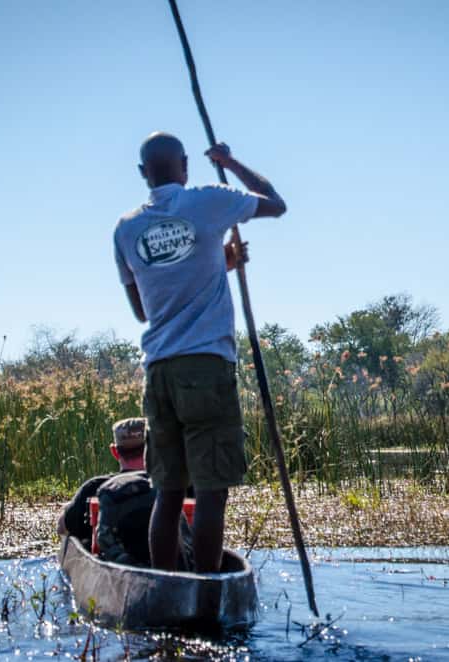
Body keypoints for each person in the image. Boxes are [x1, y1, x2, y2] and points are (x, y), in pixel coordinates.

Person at [113, 132, 286, 573]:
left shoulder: (126, 227)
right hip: (206, 365)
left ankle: (164, 588)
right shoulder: (208, 201)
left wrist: (218, 264)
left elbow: (141, 310)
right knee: (210, 491)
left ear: (142, 174)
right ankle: (205, 591)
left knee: (169, 493)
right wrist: (231, 162)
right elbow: (275, 202)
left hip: (160, 371)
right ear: (185, 167)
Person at [57, 418, 190, 567]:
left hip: (118, 570)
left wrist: (67, 509)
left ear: (114, 451)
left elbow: (62, 528)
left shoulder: (94, 487)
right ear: (153, 448)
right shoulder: (179, 487)